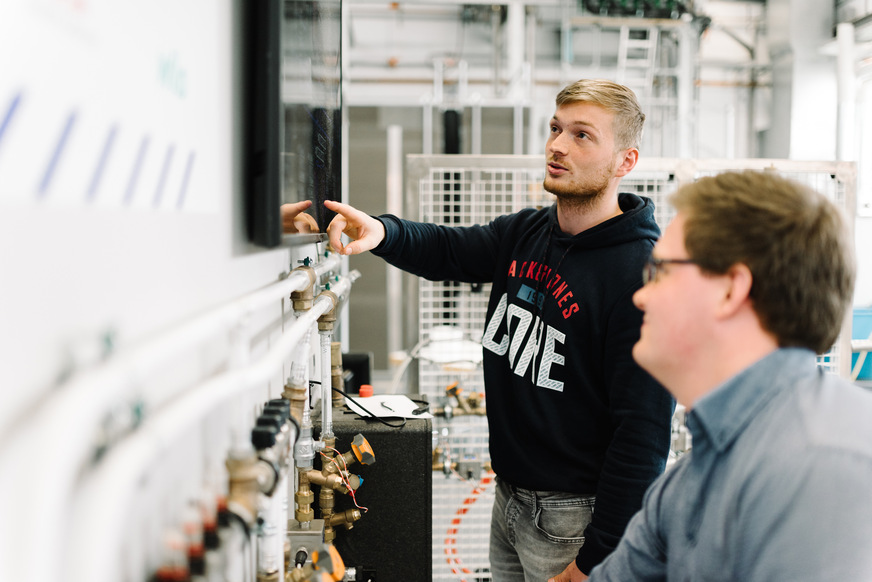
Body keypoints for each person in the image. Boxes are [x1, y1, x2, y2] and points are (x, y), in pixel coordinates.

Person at [282, 79, 675, 581]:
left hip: (573, 520)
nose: (556, 145)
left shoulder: (639, 275)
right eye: (555, 128)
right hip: (510, 499)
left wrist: (594, 560)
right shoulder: (528, 232)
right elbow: (449, 247)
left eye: (582, 135)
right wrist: (382, 232)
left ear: (625, 161)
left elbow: (642, 437)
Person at [588, 170, 872, 581]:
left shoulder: (818, 465)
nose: (640, 294)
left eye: (660, 271)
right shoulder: (695, 474)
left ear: (730, 290)